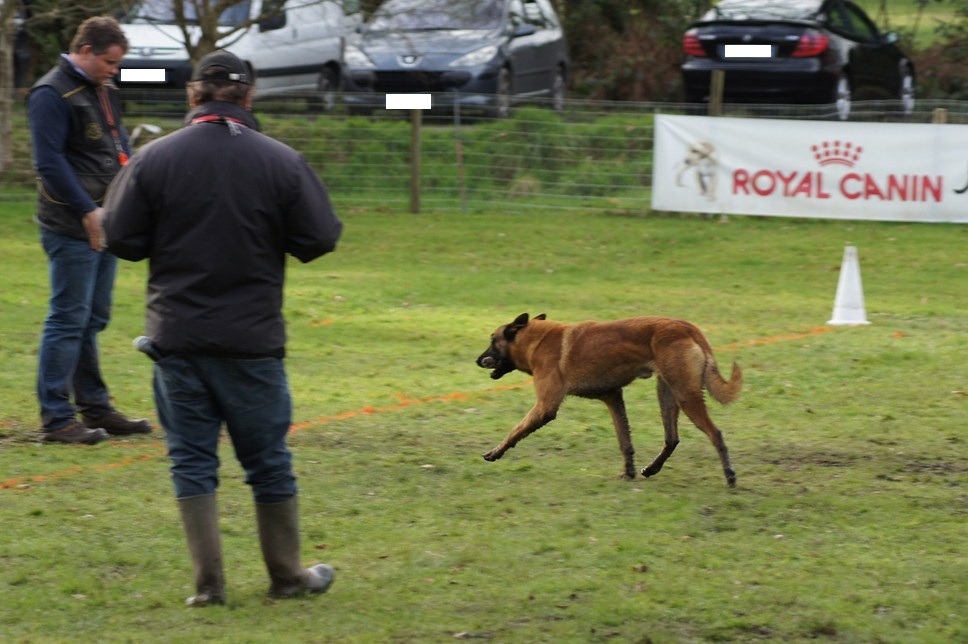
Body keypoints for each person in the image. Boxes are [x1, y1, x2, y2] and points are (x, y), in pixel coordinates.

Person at [102, 50, 344, 606]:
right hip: (250, 340)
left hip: (176, 337)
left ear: (193, 96)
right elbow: (319, 237)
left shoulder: (152, 158)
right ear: (248, 97)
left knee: (190, 458)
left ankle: (209, 586)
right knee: (267, 460)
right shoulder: (281, 161)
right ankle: (287, 575)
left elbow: (120, 237)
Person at [28, 16, 152, 445]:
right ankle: (57, 418)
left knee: (93, 318)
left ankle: (95, 407)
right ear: (83, 50)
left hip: (107, 219)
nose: (113, 70)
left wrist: (128, 194)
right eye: (108, 62)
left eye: (117, 64)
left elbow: (118, 146)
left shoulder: (105, 90)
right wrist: (85, 210)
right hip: (71, 224)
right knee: (68, 318)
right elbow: (49, 162)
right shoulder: (50, 93)